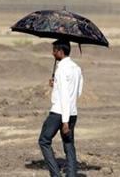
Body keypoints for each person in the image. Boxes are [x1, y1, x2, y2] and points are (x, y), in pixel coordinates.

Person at [38, 39, 83, 177]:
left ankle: (55, 175)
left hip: (59, 113)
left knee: (44, 141)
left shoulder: (62, 69)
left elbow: (64, 96)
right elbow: (78, 91)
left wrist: (64, 121)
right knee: (69, 144)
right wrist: (56, 85)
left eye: (54, 50)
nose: (52, 53)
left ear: (60, 52)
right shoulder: (77, 68)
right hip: (72, 112)